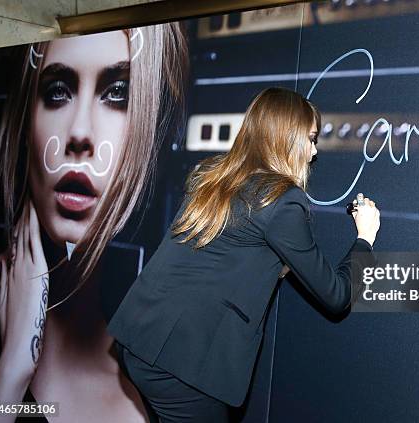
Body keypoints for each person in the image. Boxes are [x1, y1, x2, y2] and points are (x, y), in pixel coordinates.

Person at [107, 87, 381, 422]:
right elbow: (336, 295)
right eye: (310, 139)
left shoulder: (212, 176)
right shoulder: (283, 200)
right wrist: (365, 237)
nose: (313, 151)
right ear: (287, 138)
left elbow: (227, 254)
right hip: (182, 365)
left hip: (139, 341)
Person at [0, 24, 187, 423]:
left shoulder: (154, 394)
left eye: (118, 94)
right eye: (57, 91)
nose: (79, 133)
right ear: (26, 121)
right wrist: (10, 377)